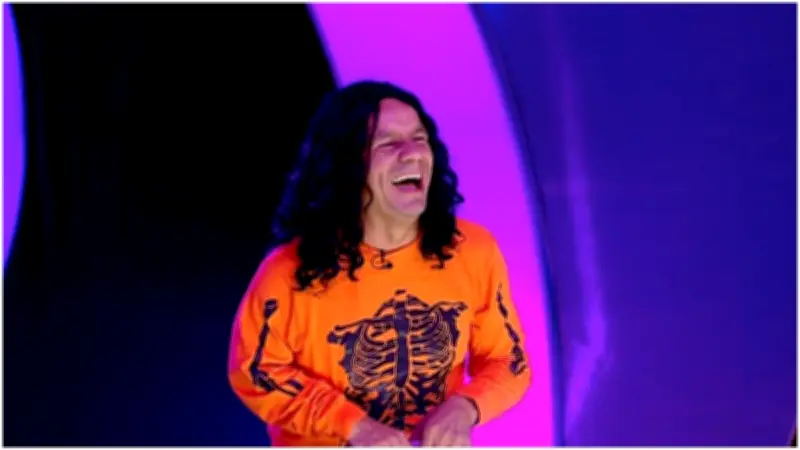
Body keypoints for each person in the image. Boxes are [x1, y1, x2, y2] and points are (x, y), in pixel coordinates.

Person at [228, 81, 531, 447]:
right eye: (388, 144)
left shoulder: (473, 251)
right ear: (346, 165)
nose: (412, 153)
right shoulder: (288, 273)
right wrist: (352, 425)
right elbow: (255, 371)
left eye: (419, 139)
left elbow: (508, 361)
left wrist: (466, 407)